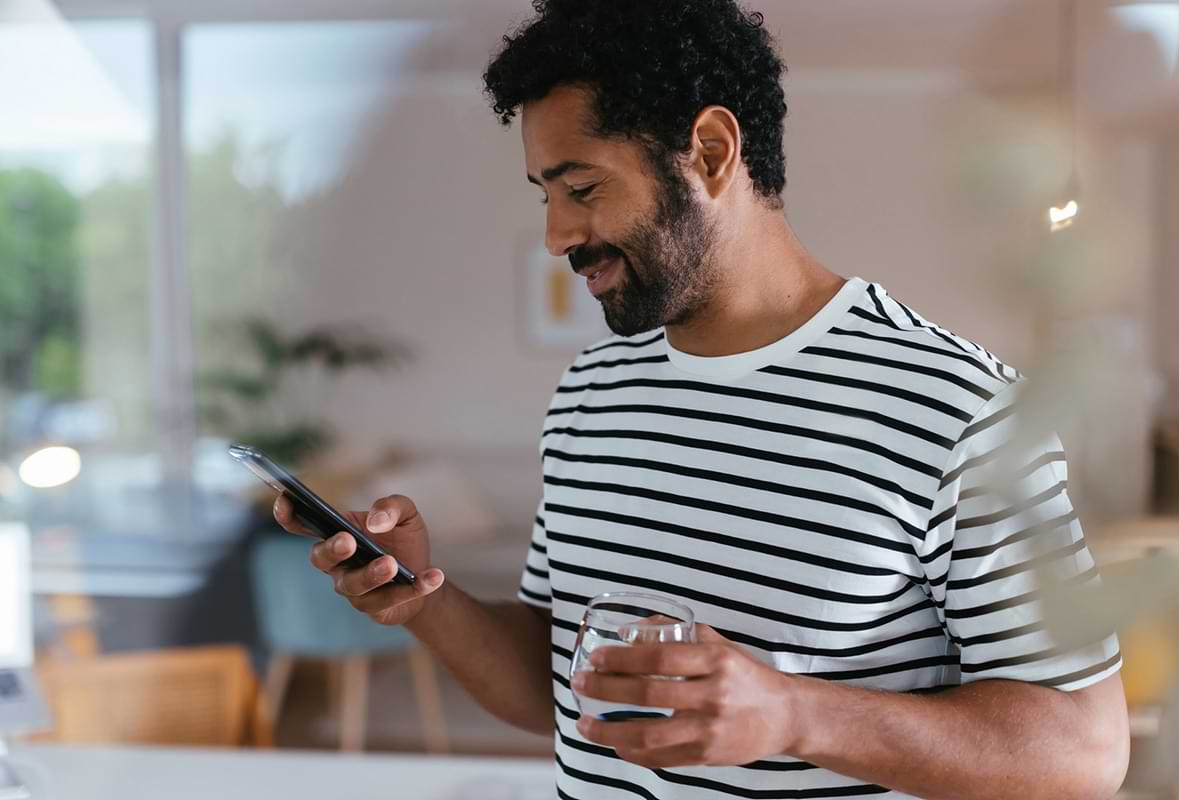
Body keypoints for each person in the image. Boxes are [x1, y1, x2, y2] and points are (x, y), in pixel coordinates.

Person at [275, 1, 1130, 797]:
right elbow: (562, 690)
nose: (556, 236)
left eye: (582, 189)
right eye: (545, 197)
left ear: (712, 152)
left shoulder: (959, 407)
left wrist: (795, 713)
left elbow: (1085, 750)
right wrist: (426, 600)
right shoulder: (592, 392)